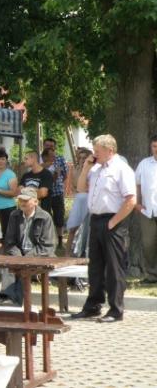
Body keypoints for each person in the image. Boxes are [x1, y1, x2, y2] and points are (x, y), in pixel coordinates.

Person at [71, 135, 136, 323]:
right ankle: (93, 306)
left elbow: (131, 199)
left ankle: (116, 310)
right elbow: (81, 188)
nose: (94, 153)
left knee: (114, 268)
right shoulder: (96, 169)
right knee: (95, 267)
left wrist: (113, 222)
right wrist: (86, 167)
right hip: (96, 220)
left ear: (110, 150)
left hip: (112, 221)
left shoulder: (121, 169)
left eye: (97, 150)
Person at [0, 187, 56, 306]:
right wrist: (18, 256)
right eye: (20, 200)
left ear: (35, 202)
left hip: (39, 255)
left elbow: (47, 246)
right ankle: (5, 297)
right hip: (19, 254)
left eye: (26, 200)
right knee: (9, 264)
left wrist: (27, 257)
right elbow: (9, 242)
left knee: (24, 268)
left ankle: (13, 301)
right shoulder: (14, 215)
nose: (22, 203)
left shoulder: (45, 217)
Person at [135, 135, 157, 283]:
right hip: (148, 210)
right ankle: (152, 275)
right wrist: (137, 203)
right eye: (154, 146)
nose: (156, 149)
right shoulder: (144, 164)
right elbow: (137, 183)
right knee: (148, 244)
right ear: (151, 147)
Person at [66, 147, 93, 256]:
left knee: (88, 227)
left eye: (84, 157)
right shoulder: (75, 170)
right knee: (73, 227)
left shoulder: (93, 170)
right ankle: (67, 253)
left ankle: (85, 251)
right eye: (80, 157)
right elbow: (74, 186)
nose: (82, 160)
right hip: (79, 199)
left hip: (89, 199)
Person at [42, 138, 69, 248]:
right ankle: (46, 239)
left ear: (55, 147)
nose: (50, 148)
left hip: (57, 192)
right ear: (43, 146)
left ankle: (60, 241)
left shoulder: (60, 159)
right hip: (44, 193)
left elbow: (65, 175)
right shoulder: (40, 159)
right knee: (45, 216)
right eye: (47, 145)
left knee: (59, 216)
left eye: (52, 146)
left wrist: (58, 181)